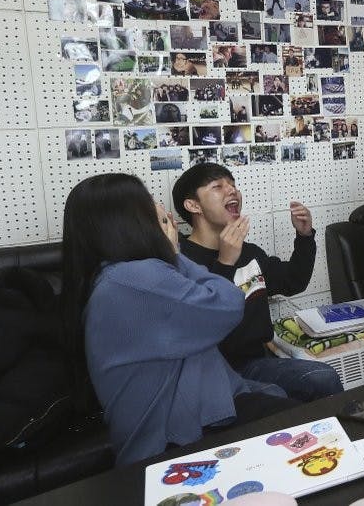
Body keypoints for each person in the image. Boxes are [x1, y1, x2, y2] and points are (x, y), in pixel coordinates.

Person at [60, 174, 296, 466]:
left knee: (279, 400)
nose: (160, 212)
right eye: (148, 205)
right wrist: (173, 253)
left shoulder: (110, 278)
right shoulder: (137, 277)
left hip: (197, 413)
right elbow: (228, 304)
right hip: (174, 440)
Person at [172, 164, 343, 402]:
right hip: (211, 370)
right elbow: (201, 321)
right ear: (193, 205)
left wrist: (304, 237)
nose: (232, 190)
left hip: (255, 361)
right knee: (287, 391)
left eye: (233, 184)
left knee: (322, 378)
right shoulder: (180, 259)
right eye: (218, 187)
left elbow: (294, 281)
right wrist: (225, 263)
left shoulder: (249, 252)